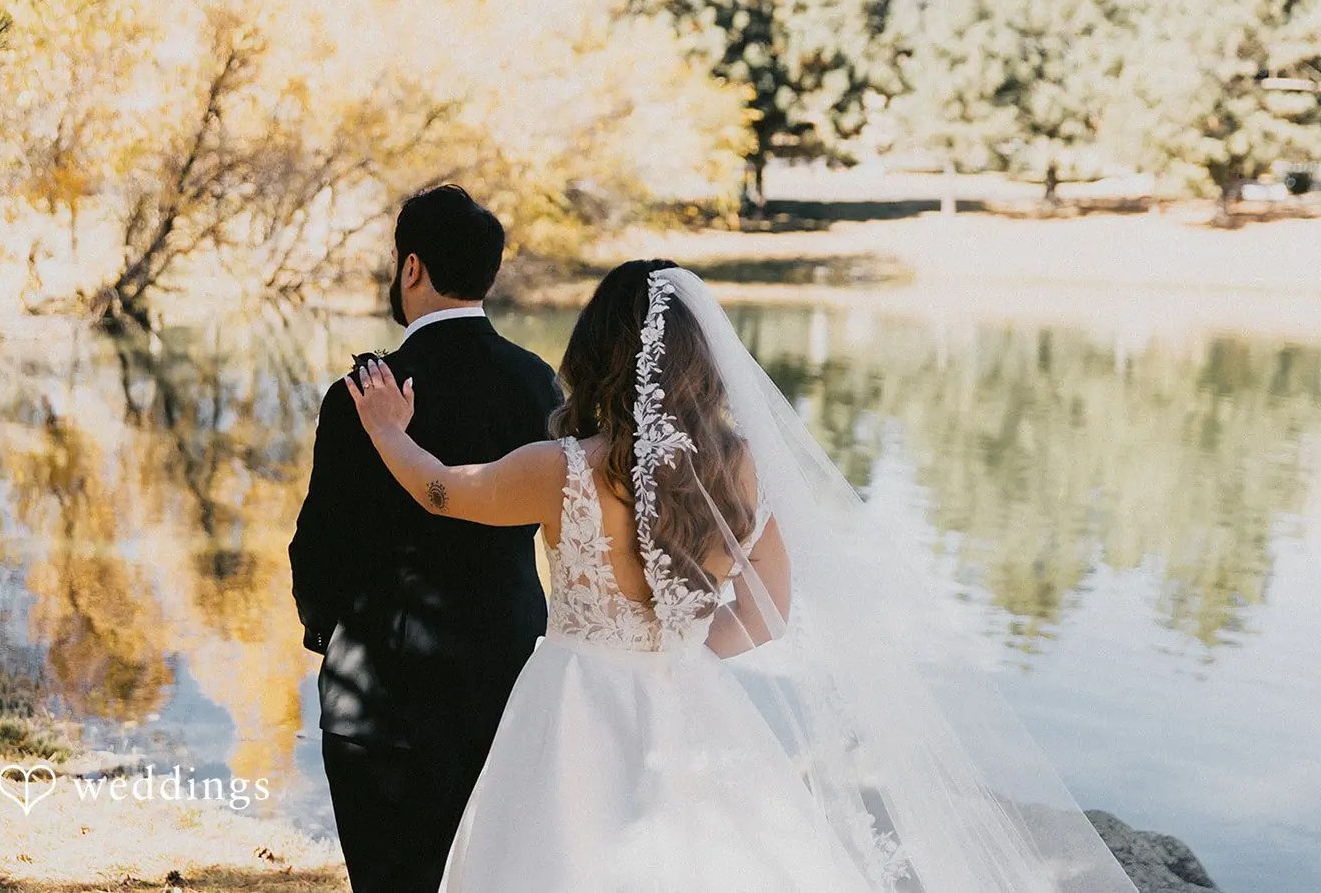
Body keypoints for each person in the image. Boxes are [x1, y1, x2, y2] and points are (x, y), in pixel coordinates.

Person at [344, 259, 1142, 893]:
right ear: (703, 359)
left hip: (573, 699)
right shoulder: (750, 473)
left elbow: (443, 491)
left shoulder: (563, 469)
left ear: (598, 354)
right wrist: (675, 656)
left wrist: (389, 431)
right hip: (690, 696)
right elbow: (766, 615)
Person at [288, 185, 560, 893]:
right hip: (505, 682)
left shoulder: (362, 394)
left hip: (380, 693)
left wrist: (330, 635)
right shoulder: (539, 385)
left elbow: (319, 545)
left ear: (411, 267)